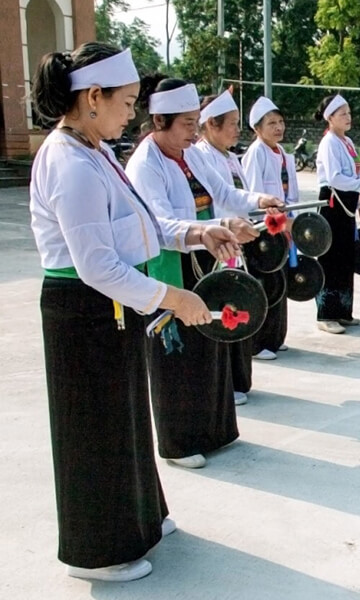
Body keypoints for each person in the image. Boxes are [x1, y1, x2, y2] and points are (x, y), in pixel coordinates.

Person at [29, 43, 241, 581]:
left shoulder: (96, 150)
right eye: (126, 101)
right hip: (82, 310)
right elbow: (97, 265)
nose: (132, 112)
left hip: (112, 305)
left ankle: (142, 518)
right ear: (92, 97)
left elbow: (145, 225)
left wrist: (198, 231)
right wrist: (175, 296)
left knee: (125, 421)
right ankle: (99, 550)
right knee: (94, 430)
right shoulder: (68, 160)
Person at [127, 77, 280, 470]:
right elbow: (159, 222)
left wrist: (255, 203)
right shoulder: (146, 163)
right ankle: (179, 441)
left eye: (196, 122)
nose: (193, 132)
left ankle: (212, 430)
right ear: (159, 121)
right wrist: (206, 231)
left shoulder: (191, 155)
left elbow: (222, 194)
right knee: (176, 352)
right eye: (186, 124)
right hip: (173, 264)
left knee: (210, 344)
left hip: (206, 255)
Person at [195, 89, 254, 404]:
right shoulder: (202, 156)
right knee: (223, 312)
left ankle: (238, 378)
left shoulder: (231, 158)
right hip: (215, 244)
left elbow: (238, 197)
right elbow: (214, 205)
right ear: (210, 126)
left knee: (239, 307)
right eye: (231, 123)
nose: (236, 129)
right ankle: (225, 384)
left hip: (236, 243)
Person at [241, 96, 300, 359]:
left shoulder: (283, 154)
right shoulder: (256, 153)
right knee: (264, 283)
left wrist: (292, 218)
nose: (278, 128)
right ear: (257, 128)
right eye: (271, 123)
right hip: (263, 229)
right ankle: (258, 343)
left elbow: (292, 193)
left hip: (282, 225)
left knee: (279, 282)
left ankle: (275, 338)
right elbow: (252, 194)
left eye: (280, 122)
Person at [313, 94, 360, 333]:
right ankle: (325, 315)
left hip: (346, 204)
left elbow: (356, 174)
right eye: (342, 114)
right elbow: (336, 177)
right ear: (330, 118)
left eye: (349, 113)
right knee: (330, 257)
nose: (348, 117)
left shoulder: (347, 142)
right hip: (332, 204)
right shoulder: (329, 142)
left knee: (345, 257)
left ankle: (343, 311)